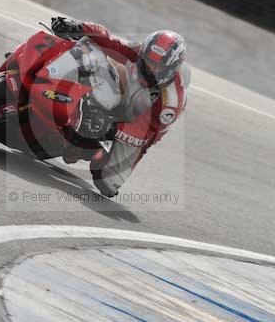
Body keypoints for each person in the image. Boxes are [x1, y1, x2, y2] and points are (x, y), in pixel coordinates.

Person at [50, 17, 190, 197]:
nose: (149, 68)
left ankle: (92, 147)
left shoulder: (170, 102)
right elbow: (111, 41)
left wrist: (107, 127)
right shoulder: (140, 52)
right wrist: (77, 26)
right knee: (88, 45)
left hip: (140, 129)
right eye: (148, 61)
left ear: (172, 68)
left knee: (107, 182)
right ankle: (59, 90)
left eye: (156, 66)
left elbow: (143, 133)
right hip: (128, 93)